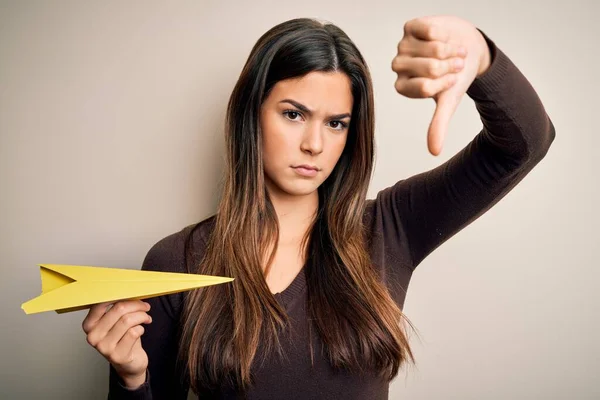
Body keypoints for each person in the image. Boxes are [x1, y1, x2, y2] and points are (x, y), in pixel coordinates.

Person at [81, 15, 555, 400]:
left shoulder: (389, 228)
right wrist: (131, 380)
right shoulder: (176, 261)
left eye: (336, 123)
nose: (314, 144)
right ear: (251, 114)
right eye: (293, 114)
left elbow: (525, 143)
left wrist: (479, 55)